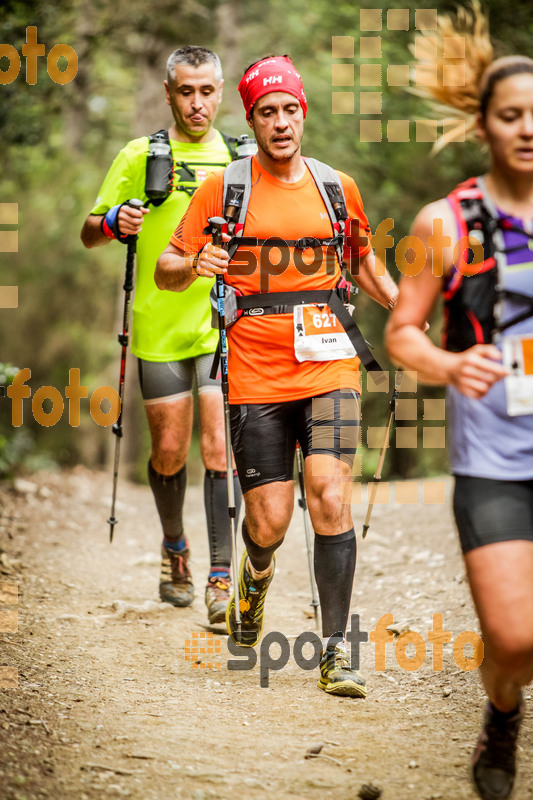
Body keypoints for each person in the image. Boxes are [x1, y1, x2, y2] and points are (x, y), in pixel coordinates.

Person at [156, 55, 398, 696]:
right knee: (268, 522)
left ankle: (338, 649)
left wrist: (407, 310)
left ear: (303, 112)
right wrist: (195, 263)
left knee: (328, 493)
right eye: (268, 112)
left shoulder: (336, 187)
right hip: (256, 373)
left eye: (291, 108)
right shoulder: (224, 188)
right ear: (253, 119)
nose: (282, 122)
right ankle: (252, 580)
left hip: (331, 364)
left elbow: (365, 264)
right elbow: (165, 265)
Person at [385, 6, 533, 798]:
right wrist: (448, 363)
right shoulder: (444, 223)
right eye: (511, 116)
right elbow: (401, 332)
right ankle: (502, 710)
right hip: (495, 461)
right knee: (513, 640)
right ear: (482, 125)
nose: (528, 130)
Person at [80, 45, 242, 625]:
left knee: (221, 447)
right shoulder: (138, 155)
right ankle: (176, 547)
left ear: (220, 93)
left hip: (227, 327)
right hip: (158, 328)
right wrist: (113, 220)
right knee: (169, 453)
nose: (196, 103)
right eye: (185, 92)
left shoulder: (240, 157)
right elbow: (89, 232)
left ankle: (222, 577)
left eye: (206, 91)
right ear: (169, 93)